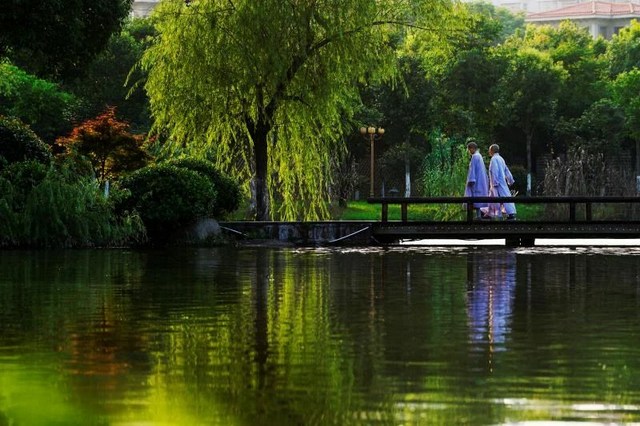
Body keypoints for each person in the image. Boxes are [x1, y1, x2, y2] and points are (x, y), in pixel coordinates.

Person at [488, 143, 516, 220]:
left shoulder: (494, 159)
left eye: (489, 150)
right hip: (501, 182)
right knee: (504, 196)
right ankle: (490, 214)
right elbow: (506, 169)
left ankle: (508, 214)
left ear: (492, 151)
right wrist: (510, 179)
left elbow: (494, 171)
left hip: (497, 183)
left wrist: (495, 182)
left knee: (500, 198)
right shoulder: (501, 158)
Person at [464, 140, 489, 219]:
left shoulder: (475, 156)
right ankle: (478, 216)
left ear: (471, 148)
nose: (469, 152)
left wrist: (471, 180)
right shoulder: (479, 156)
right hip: (480, 180)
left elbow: (472, 170)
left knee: (474, 199)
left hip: (476, 181)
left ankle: (476, 217)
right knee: (478, 199)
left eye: (469, 150)